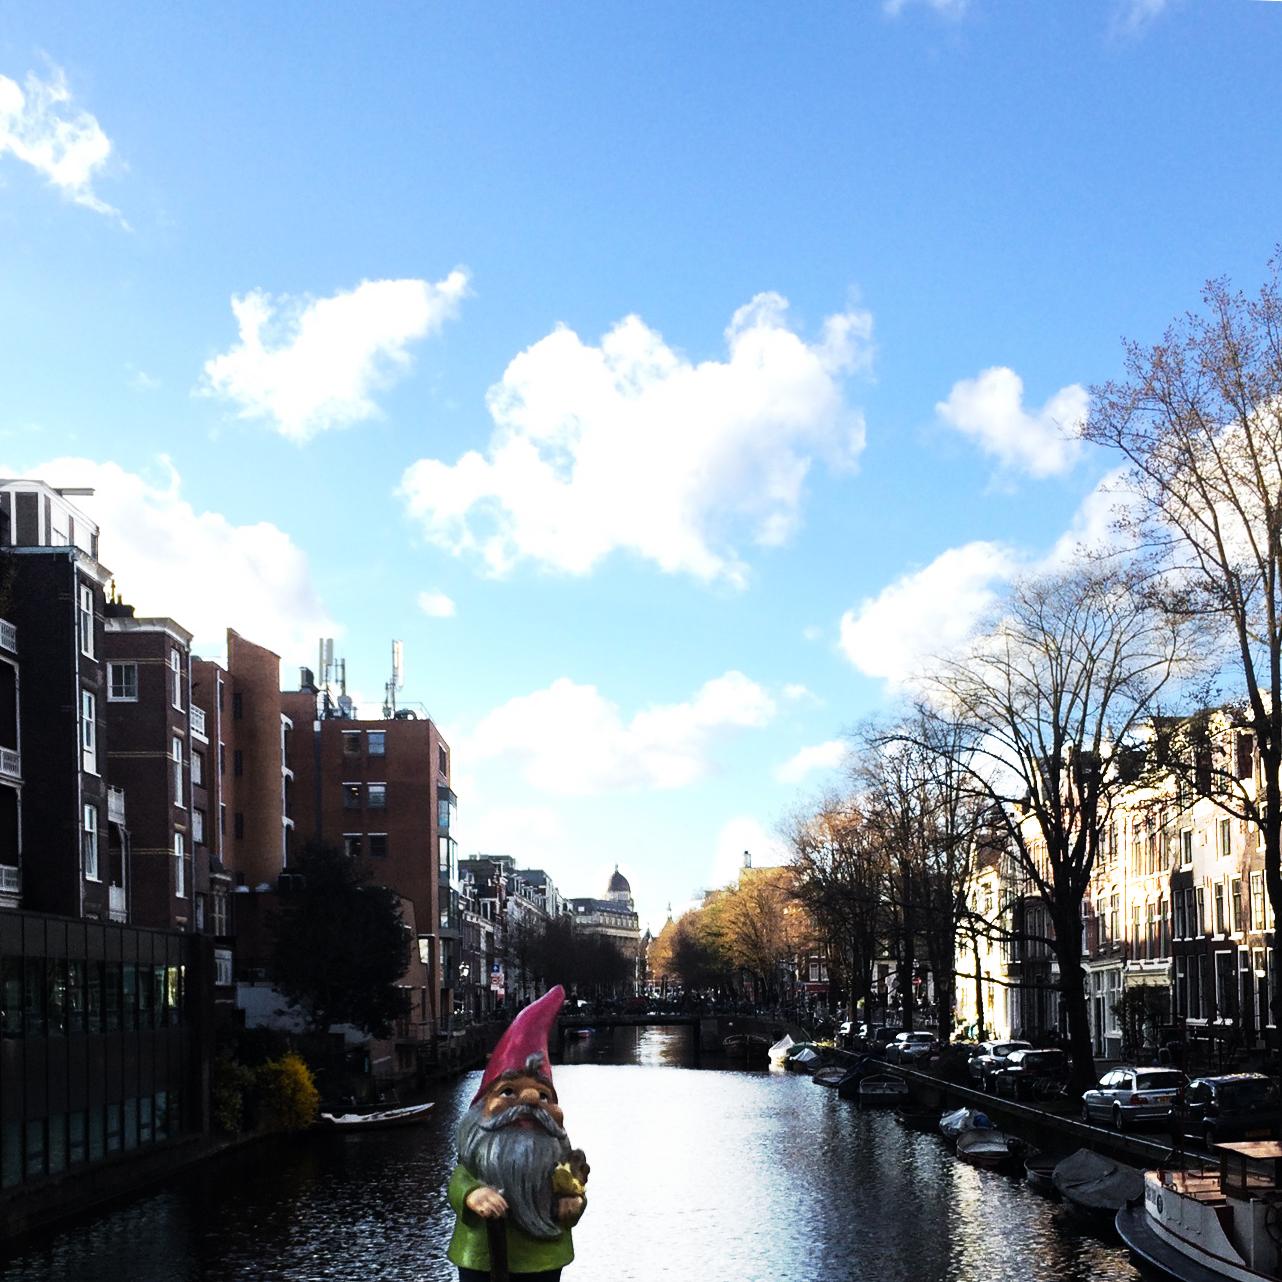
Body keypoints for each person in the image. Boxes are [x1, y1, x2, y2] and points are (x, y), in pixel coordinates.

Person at [447, 985, 588, 1282]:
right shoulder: (478, 1156)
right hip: (481, 1255)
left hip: (544, 1256)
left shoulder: (557, 1156)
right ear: (482, 1107)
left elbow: (574, 1188)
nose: (530, 1100)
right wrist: (472, 1194)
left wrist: (573, 1203)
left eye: (543, 1096)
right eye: (509, 1091)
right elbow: (459, 1181)